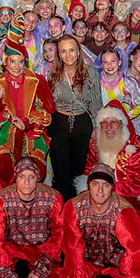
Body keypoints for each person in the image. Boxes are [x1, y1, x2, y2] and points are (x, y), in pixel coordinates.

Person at [0, 15, 55, 186]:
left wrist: (27, 124)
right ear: (5, 63)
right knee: (3, 177)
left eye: (20, 62)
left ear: (25, 63)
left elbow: (47, 113)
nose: (16, 66)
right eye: (12, 61)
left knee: (31, 178)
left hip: (31, 136)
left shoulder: (37, 81)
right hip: (4, 138)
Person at [47, 33, 102, 199]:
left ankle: (76, 207)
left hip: (82, 125)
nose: (67, 55)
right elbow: (48, 103)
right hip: (59, 125)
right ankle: (60, 210)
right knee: (60, 172)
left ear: (79, 52)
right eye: (63, 51)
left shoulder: (90, 72)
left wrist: (98, 128)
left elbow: (96, 102)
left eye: (71, 50)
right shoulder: (53, 73)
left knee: (79, 172)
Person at [80, 102, 140, 213]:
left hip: (129, 195)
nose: (108, 127)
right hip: (99, 191)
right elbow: (88, 171)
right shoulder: (96, 144)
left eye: (113, 122)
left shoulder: (136, 146)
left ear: (121, 124)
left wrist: (106, 191)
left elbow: (136, 184)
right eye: (104, 123)